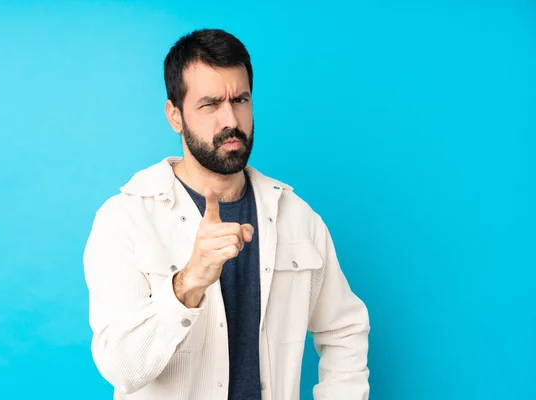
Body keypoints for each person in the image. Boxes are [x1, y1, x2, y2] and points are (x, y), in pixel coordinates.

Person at [83, 28, 370, 400]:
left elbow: (344, 328)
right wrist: (188, 284)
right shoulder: (125, 219)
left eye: (240, 100)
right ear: (175, 115)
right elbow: (121, 368)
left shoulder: (296, 216)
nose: (230, 119)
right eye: (210, 104)